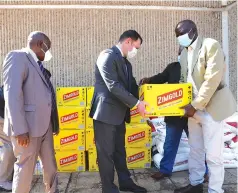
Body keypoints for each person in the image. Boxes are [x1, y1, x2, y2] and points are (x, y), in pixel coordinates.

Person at [173, 20, 236, 193]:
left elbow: (212, 80)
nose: (180, 38)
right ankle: (196, 184)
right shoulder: (185, 53)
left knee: (214, 155)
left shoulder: (210, 46)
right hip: (193, 110)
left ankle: (215, 190)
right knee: (195, 150)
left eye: (182, 34)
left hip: (211, 108)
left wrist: (195, 105)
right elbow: (183, 80)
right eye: (177, 35)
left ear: (193, 31)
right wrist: (178, 101)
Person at [89, 30, 148, 193]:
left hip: (119, 115)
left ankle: (125, 182)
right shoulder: (107, 56)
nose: (135, 51)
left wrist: (150, 94)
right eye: (136, 47)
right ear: (128, 41)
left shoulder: (126, 63)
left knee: (119, 151)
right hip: (105, 114)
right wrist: (137, 103)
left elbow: (132, 86)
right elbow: (113, 85)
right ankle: (108, 189)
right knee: (106, 154)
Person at [140, 47, 209, 181]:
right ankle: (165, 170)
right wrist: (148, 79)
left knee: (197, 145)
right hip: (174, 114)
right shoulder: (173, 67)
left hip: (192, 113)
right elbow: (160, 78)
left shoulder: (197, 68)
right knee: (170, 143)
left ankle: (205, 171)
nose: (182, 55)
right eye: (180, 52)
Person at [2, 31, 59, 193]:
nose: (48, 54)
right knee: (25, 169)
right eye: (48, 49)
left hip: (44, 126)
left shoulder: (38, 65)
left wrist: (53, 123)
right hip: (27, 129)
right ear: (40, 44)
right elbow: (12, 95)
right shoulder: (17, 57)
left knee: (50, 167)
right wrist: (20, 129)